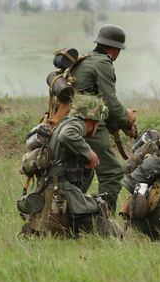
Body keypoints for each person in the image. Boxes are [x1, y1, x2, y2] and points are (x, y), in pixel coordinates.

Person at [19, 94, 122, 238]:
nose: (97, 127)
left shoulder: (61, 125)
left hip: (49, 193)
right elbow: (67, 135)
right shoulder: (76, 124)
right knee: (110, 226)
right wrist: (89, 153)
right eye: (98, 122)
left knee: (64, 236)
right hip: (62, 194)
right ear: (92, 120)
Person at [71, 24, 137, 212]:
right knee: (113, 173)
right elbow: (110, 101)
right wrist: (128, 119)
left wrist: (119, 124)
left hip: (71, 123)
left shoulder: (85, 59)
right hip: (89, 124)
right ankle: (104, 219)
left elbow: (98, 101)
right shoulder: (103, 63)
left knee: (83, 172)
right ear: (114, 50)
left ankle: (73, 213)